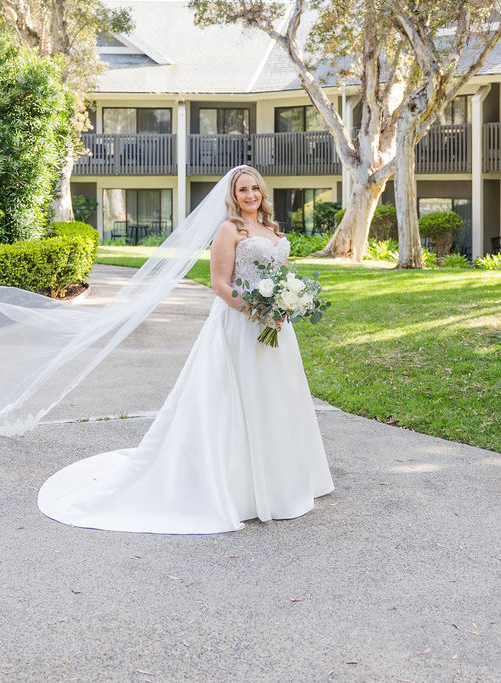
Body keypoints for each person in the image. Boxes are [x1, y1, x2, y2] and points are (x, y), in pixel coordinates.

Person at [37, 166, 334, 534]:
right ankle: (241, 489)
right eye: (243, 190)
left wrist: (285, 306)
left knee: (278, 398)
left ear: (262, 191)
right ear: (233, 195)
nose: (251, 195)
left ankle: (283, 485)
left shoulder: (272, 230)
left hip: (277, 328)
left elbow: (280, 279)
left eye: (255, 188)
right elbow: (220, 286)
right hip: (240, 327)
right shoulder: (229, 230)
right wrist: (258, 311)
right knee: (238, 401)